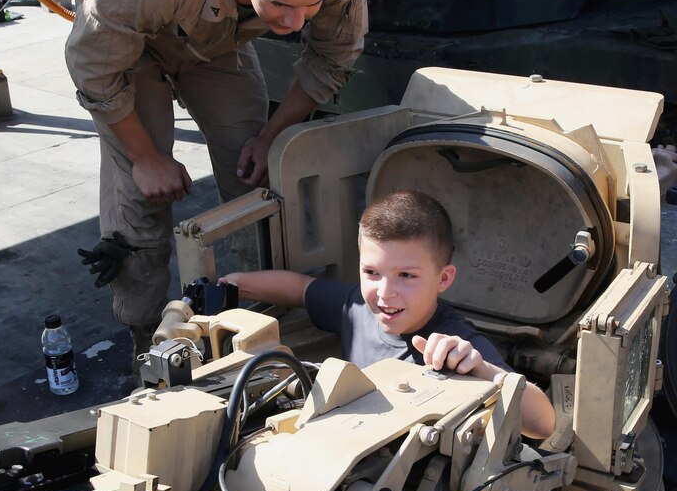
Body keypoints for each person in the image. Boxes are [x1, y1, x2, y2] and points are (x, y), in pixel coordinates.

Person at [68, 0, 368, 361]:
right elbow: (94, 71)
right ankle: (148, 340)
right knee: (140, 198)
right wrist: (146, 157)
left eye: (310, 8)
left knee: (257, 179)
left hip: (217, 36)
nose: (292, 24)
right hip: (130, 40)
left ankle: (258, 323)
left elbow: (334, 57)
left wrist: (270, 136)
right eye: (280, 4)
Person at [219, 189, 557, 440]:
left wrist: (483, 370)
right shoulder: (356, 307)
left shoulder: (456, 345)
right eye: (372, 272)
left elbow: (542, 424)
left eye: (406, 276)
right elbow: (299, 289)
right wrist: (233, 286)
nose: (384, 292)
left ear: (444, 279)